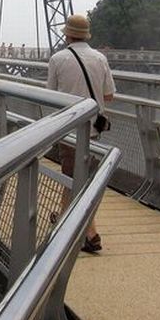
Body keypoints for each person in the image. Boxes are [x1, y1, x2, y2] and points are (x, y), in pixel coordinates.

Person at [47, 14, 115, 253]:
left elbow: (51, 96)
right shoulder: (100, 58)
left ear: (66, 34)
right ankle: (65, 215)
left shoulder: (58, 59)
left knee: (74, 176)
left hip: (69, 128)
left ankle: (91, 233)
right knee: (80, 175)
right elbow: (108, 96)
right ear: (87, 34)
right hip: (93, 129)